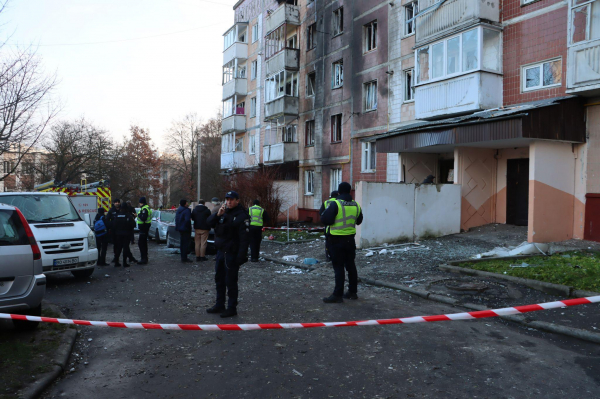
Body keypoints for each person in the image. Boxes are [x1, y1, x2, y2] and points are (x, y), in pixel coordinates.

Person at [206, 191, 250, 318]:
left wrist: (240, 257)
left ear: (237, 200)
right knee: (219, 280)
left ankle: (232, 307)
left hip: (231, 253)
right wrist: (217, 215)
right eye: (227, 199)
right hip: (220, 252)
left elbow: (244, 238)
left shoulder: (241, 215)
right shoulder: (223, 212)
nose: (229, 202)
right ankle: (220, 304)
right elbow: (208, 223)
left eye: (231, 199)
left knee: (230, 281)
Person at [320, 182, 363, 303]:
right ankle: (352, 292)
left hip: (336, 240)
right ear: (350, 191)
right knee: (351, 266)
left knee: (338, 268)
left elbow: (325, 219)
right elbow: (359, 221)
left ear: (339, 192)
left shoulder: (336, 204)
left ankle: (337, 295)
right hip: (350, 240)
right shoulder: (356, 205)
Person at [113, 202, 136, 267]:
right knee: (125, 248)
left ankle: (116, 261)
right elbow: (133, 224)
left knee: (119, 248)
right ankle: (124, 262)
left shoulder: (117, 215)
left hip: (118, 234)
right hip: (126, 234)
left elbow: (114, 225)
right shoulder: (128, 216)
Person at [319, 191, 338, 262]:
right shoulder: (339, 203)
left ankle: (328, 256)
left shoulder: (326, 202)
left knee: (328, 243)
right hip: (338, 227)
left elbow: (321, 213)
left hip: (327, 227)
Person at [136, 197, 152, 265]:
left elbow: (143, 218)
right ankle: (145, 258)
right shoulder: (147, 208)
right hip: (145, 227)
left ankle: (143, 259)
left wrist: (138, 215)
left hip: (144, 227)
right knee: (143, 243)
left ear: (141, 202)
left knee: (141, 244)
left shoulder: (144, 209)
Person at [106, 198, 121, 263]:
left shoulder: (122, 210)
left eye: (118, 202)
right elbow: (107, 219)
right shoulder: (111, 210)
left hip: (121, 230)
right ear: (114, 203)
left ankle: (127, 258)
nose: (117, 203)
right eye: (116, 202)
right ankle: (116, 257)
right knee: (115, 244)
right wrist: (111, 225)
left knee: (122, 245)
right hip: (114, 230)